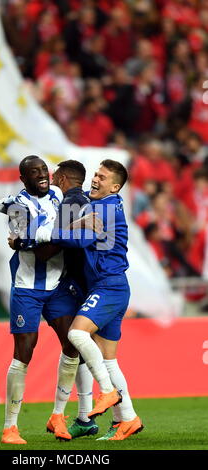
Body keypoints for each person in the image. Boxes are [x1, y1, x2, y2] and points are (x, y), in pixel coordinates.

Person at [48, 159, 144, 441]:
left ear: (115, 186)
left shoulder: (103, 208)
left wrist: (48, 233)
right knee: (109, 360)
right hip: (113, 286)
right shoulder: (107, 205)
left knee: (77, 334)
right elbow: (81, 229)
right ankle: (128, 419)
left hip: (108, 287)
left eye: (102, 177)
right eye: (95, 175)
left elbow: (75, 241)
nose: (95, 180)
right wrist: (78, 221)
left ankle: (108, 392)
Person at [0, 155, 80, 444]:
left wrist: (56, 236)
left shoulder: (59, 194)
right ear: (23, 178)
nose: (42, 175)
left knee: (73, 344)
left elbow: (47, 243)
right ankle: (10, 427)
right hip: (28, 287)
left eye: (44, 169)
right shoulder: (18, 207)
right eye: (34, 172)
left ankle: (57, 416)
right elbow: (41, 253)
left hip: (57, 285)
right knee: (25, 350)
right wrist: (70, 234)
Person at [34, 159, 99, 439]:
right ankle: (90, 417)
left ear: (61, 178)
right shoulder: (90, 201)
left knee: (77, 346)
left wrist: (31, 241)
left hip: (77, 285)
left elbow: (52, 247)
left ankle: (87, 415)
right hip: (96, 282)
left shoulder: (70, 202)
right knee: (89, 349)